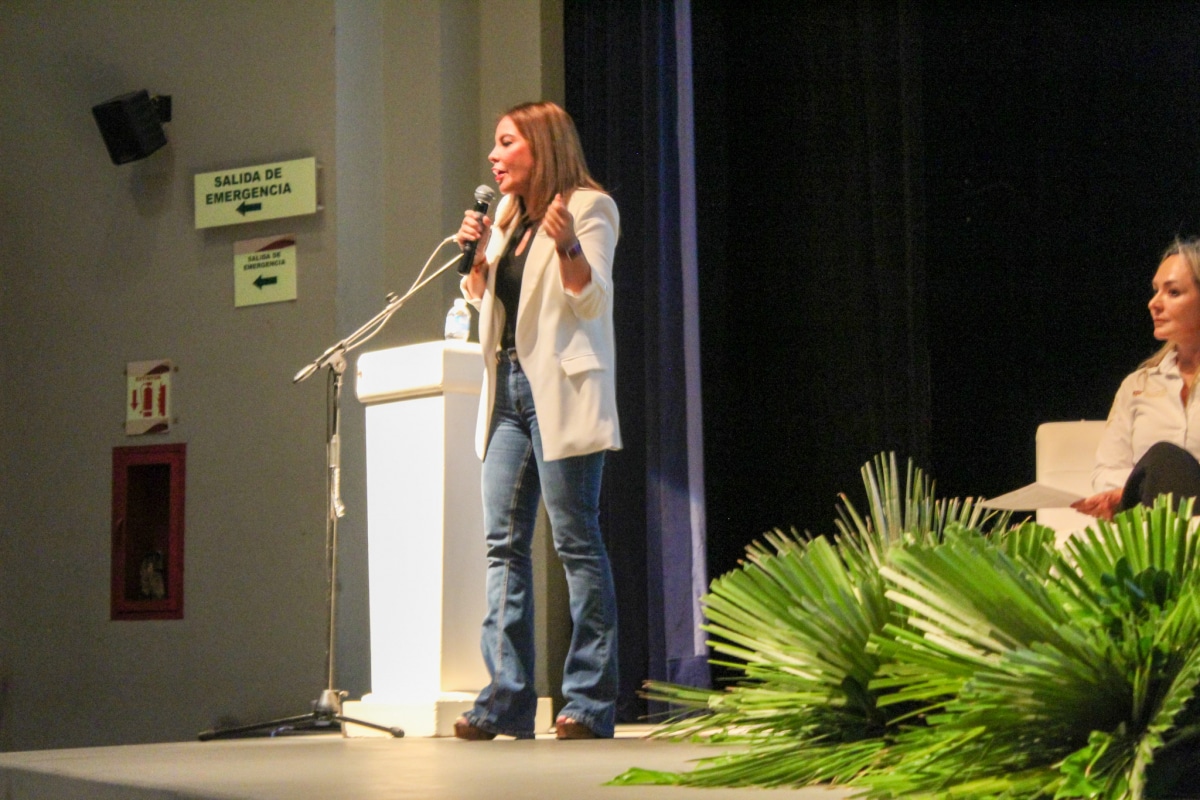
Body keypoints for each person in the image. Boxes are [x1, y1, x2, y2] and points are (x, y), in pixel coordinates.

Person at [451, 101, 621, 740]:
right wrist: (475, 259)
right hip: (506, 389)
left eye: (505, 143)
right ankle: (506, 700)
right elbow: (484, 299)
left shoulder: (590, 207)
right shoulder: (505, 215)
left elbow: (591, 298)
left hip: (559, 388)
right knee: (502, 545)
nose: (493, 156)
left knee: (575, 541)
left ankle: (589, 702)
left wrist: (568, 242)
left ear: (540, 145)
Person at [1073, 237, 1200, 520]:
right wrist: (1130, 490)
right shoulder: (1138, 386)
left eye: (1173, 292)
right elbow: (1107, 471)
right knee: (1161, 462)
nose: (1154, 303)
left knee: (1165, 459)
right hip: (1149, 529)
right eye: (1156, 291)